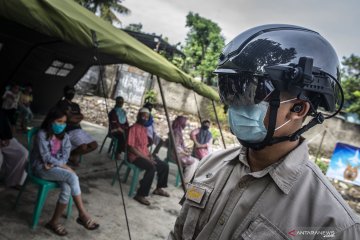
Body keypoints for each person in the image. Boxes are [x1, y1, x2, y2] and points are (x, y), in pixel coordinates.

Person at [168, 24, 360, 239]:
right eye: (230, 90)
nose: (235, 104)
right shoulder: (210, 165)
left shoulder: (334, 225)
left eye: (251, 93)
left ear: (297, 109)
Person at [31, 107, 99, 236]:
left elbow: (65, 156)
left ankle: (54, 222)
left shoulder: (65, 137)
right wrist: (63, 166)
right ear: (51, 121)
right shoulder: (42, 134)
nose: (62, 125)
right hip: (41, 168)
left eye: (64, 122)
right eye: (59, 121)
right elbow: (45, 157)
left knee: (67, 188)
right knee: (72, 177)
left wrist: (59, 164)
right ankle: (83, 214)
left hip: (55, 168)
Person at [127, 108, 170, 206]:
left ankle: (158, 188)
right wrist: (147, 158)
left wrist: (150, 156)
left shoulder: (144, 129)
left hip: (145, 155)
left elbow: (145, 147)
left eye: (147, 117)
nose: (145, 118)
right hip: (135, 157)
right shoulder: (133, 128)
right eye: (143, 116)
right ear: (138, 116)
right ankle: (140, 194)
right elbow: (132, 149)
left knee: (164, 165)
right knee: (152, 167)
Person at [57, 86, 98, 165]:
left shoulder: (76, 105)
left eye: (72, 92)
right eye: (69, 92)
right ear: (65, 93)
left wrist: (72, 116)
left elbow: (80, 116)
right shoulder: (61, 103)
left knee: (94, 145)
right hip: (69, 130)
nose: (71, 94)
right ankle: (70, 156)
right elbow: (69, 119)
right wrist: (75, 118)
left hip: (79, 129)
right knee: (83, 147)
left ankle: (72, 155)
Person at [0, 109, 27, 188]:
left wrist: (6, 137)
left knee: (23, 153)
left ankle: (14, 181)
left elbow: (3, 122)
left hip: (4, 138)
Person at [171, 116, 199, 184]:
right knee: (194, 162)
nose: (185, 124)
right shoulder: (177, 132)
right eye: (185, 123)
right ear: (181, 122)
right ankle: (185, 182)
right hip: (176, 155)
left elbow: (178, 145)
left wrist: (185, 149)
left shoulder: (176, 131)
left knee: (197, 161)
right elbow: (177, 147)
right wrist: (185, 153)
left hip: (176, 154)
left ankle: (186, 179)